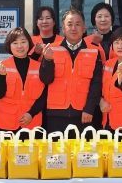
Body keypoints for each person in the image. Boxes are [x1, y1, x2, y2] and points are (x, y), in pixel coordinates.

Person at [40, 7, 103, 135]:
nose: (73, 28)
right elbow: (45, 79)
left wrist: (89, 109)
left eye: (78, 24)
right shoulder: (51, 49)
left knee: (83, 148)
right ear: (63, 29)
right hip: (56, 115)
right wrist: (47, 60)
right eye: (69, 24)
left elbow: (96, 85)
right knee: (56, 148)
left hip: (84, 115)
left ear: (84, 28)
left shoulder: (94, 51)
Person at [0, 27, 47, 131]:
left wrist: (31, 114)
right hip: (6, 122)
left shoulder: (39, 66)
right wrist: (2, 76)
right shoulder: (2, 65)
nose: (19, 46)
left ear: (29, 43)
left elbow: (44, 95)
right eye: (15, 43)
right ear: (9, 45)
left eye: (23, 42)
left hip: (32, 122)